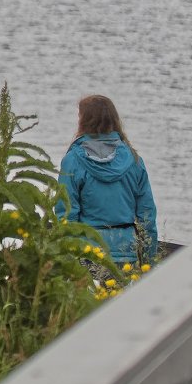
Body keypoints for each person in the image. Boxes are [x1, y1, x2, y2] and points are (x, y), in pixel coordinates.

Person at [58, 95, 158, 267]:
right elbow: (147, 216)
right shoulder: (134, 160)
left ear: (83, 122)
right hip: (127, 253)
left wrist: (68, 262)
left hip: (88, 254)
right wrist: (148, 261)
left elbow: (66, 216)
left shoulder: (72, 161)